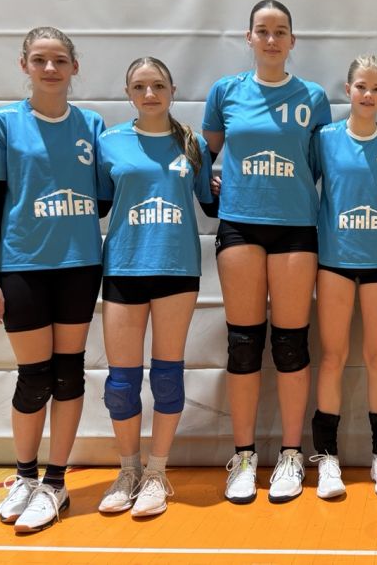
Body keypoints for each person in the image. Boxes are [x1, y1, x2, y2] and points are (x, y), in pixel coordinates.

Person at [0, 27, 104, 532]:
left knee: (69, 373)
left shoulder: (91, 124)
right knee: (34, 377)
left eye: (60, 60)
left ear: (74, 67)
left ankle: (55, 483)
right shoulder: (1, 123)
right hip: (22, 265)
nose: (51, 69)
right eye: (41, 60)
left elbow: (105, 197)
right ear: (24, 65)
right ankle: (24, 477)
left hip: (79, 264)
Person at [202, 0, 332, 504]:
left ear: (293, 40)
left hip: (295, 226)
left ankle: (292, 456)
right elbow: (212, 149)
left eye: (281, 31)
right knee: (243, 344)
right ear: (249, 37)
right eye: (263, 31)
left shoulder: (312, 97)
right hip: (240, 224)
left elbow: (318, 161)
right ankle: (243, 458)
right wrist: (213, 185)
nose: (272, 39)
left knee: (292, 344)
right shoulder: (226, 91)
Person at [95, 57, 215, 517]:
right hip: (123, 268)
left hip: (176, 269)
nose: (150, 94)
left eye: (158, 85)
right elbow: (99, 205)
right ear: (128, 93)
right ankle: (128, 470)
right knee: (121, 382)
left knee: (166, 376)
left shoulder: (192, 144)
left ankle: (157, 472)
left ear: (172, 90)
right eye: (140, 86)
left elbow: (211, 201)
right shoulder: (109, 142)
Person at [310, 55, 377, 499]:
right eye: (361, 86)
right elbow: (302, 186)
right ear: (347, 89)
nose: (368, 94)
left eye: (376, 88)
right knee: (332, 356)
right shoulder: (325, 139)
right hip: (335, 259)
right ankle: (327, 458)